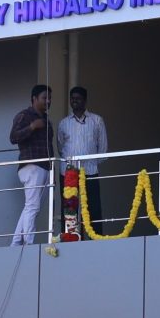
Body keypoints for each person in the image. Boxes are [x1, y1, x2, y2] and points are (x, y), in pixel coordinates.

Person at [58, 86, 110, 229]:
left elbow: (103, 149)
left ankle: (95, 239)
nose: (75, 101)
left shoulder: (97, 120)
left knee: (93, 208)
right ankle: (70, 238)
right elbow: (61, 148)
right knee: (69, 209)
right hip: (68, 172)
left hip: (90, 171)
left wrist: (90, 162)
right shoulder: (64, 123)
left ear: (85, 100)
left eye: (78, 98)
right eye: (72, 98)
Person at [10, 83, 55, 246]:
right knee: (32, 206)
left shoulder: (47, 120)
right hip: (32, 166)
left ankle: (16, 242)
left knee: (31, 206)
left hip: (46, 167)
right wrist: (32, 127)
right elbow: (13, 137)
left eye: (50, 98)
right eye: (44, 98)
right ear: (34, 99)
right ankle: (28, 243)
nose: (48, 101)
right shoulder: (25, 115)